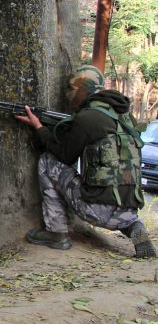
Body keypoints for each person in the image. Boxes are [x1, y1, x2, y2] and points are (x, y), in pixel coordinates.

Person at [16, 65, 156, 258]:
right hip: (129, 209)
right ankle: (134, 228)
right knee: (116, 196)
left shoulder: (87, 118)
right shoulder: (125, 117)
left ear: (82, 90)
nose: (69, 96)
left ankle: (57, 233)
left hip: (95, 209)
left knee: (48, 161)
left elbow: (65, 155)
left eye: (72, 90)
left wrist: (39, 127)